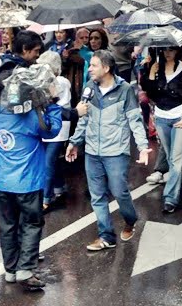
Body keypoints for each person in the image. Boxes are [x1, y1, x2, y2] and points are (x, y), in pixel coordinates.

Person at [65, 50, 151, 251]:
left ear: (106, 68)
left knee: (120, 192)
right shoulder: (89, 89)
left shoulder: (125, 90)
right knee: (97, 196)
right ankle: (106, 236)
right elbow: (84, 119)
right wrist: (74, 142)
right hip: (93, 151)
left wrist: (143, 147)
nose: (90, 69)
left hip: (116, 152)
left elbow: (135, 120)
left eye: (94, 65)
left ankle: (130, 220)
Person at [0, 62, 62, 290]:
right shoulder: (31, 118)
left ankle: (10, 270)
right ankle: (25, 269)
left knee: (7, 226)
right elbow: (52, 130)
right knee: (31, 223)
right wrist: (51, 103)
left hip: (1, 181)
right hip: (28, 182)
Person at [140, 47, 182, 213]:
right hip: (161, 116)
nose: (168, 53)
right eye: (165, 50)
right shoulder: (156, 68)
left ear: (177, 51)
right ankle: (173, 188)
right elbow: (150, 94)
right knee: (170, 155)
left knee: (176, 158)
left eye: (171, 50)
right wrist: (151, 74)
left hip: (180, 116)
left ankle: (171, 198)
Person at [37, 51, 72, 211]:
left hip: (59, 124)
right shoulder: (45, 80)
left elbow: (52, 100)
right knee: (52, 160)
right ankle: (59, 187)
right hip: (46, 124)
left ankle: (45, 198)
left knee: (47, 162)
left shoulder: (61, 81)